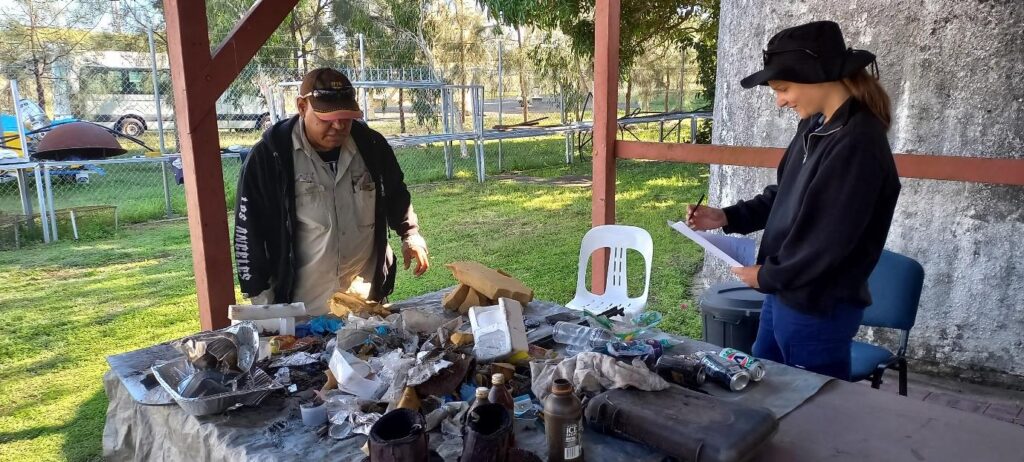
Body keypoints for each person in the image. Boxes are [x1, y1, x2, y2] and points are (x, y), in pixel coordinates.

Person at [686, 21, 901, 380]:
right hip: (784, 294)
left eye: (783, 88)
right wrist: (725, 216)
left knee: (811, 408)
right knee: (765, 381)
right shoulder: (817, 126)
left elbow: (829, 242)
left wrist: (767, 275)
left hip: (816, 304)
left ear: (818, 77)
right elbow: (784, 194)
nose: (780, 101)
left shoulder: (857, 143)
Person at [234, 68, 429, 315]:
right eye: (327, 117)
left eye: (346, 116)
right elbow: (248, 233)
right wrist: (265, 307)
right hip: (302, 309)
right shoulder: (268, 157)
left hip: (364, 301)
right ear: (302, 106)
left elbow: (395, 193)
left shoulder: (371, 146)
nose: (338, 125)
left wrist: (410, 234)